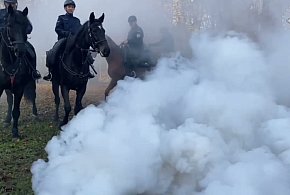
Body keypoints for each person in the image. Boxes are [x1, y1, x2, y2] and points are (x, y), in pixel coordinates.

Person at [43, 0, 95, 81]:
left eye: (72, 7)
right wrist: (68, 34)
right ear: (65, 8)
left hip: (75, 41)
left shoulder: (76, 20)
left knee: (85, 52)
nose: (71, 8)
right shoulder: (61, 18)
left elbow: (80, 31)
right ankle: (50, 72)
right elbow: (58, 29)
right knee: (54, 52)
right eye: (69, 7)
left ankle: (88, 71)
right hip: (64, 40)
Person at [0, 0, 41, 80]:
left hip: (17, 40)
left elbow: (29, 27)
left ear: (16, 4)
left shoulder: (20, 14)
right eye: (9, 3)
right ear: (5, 4)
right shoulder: (0, 13)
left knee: (31, 51)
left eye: (13, 3)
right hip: (2, 38)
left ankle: (33, 71)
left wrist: (23, 30)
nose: (11, 5)